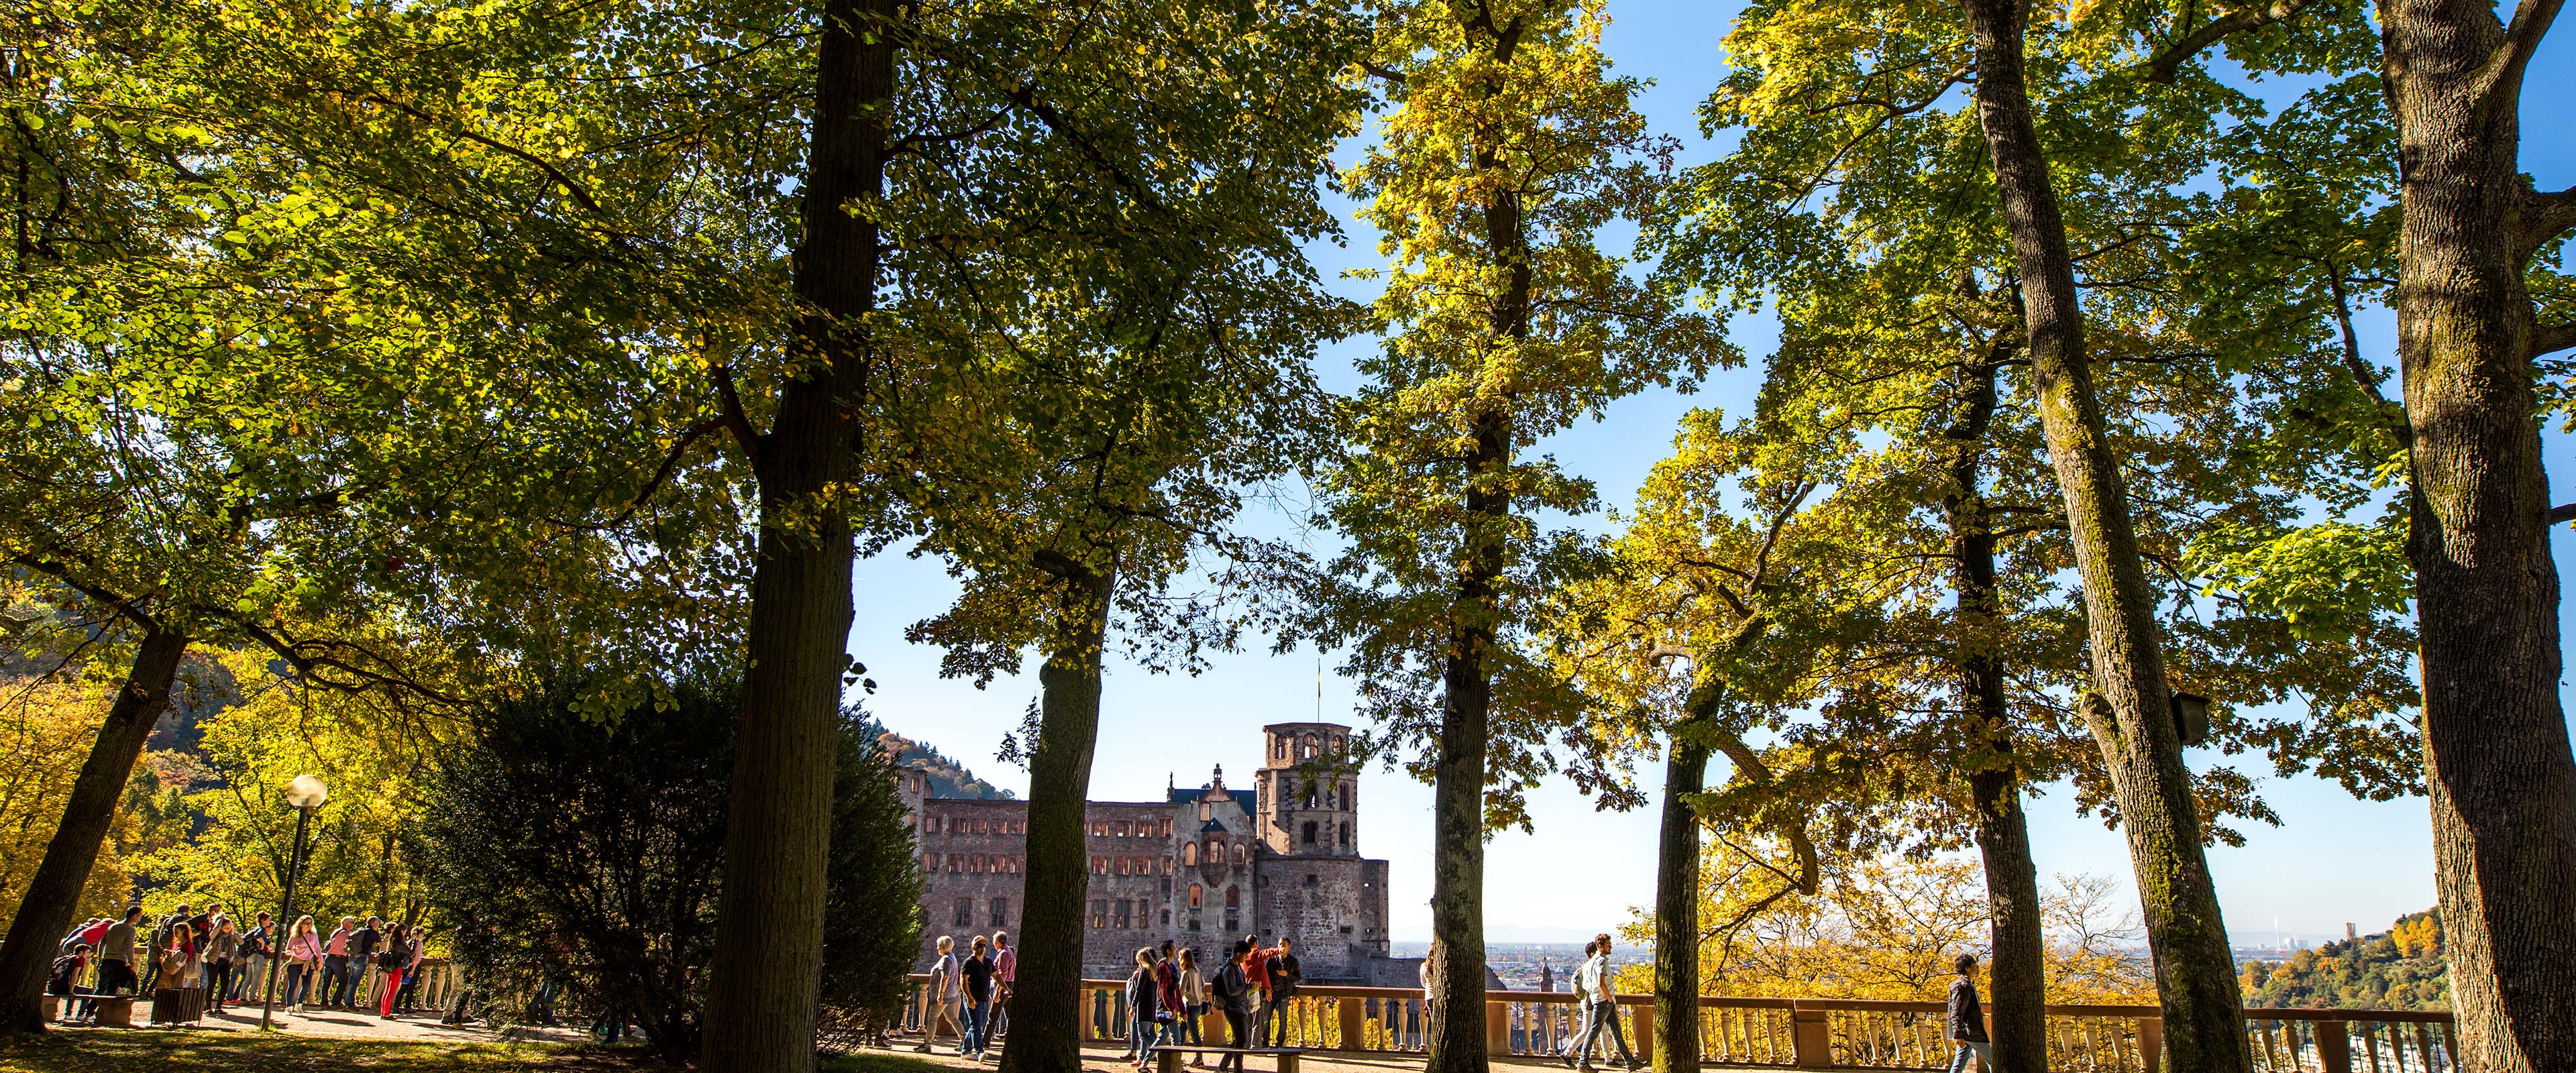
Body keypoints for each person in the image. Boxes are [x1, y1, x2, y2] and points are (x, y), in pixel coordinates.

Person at [1568, 932, 1638, 1071]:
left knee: (1616, 1032)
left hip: (1600, 1000)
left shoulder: (1590, 963)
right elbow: (1601, 982)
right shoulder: (1601, 961)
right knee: (1593, 1032)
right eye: (1608, 945)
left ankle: (1630, 1062)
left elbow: (1588, 985)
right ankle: (1583, 1063)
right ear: (1600, 946)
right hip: (1604, 1001)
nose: (1611, 947)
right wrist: (1609, 998)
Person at [1210, 940, 1253, 1072]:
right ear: (1238, 954)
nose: (1246, 958)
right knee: (1241, 1040)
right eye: (1245, 955)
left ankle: (1225, 1066)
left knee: (1240, 1040)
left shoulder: (1237, 967)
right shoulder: (1229, 969)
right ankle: (1236, 1069)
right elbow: (1231, 990)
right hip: (1233, 1008)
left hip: (1240, 1007)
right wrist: (1247, 987)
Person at [1946, 954, 1994, 1073]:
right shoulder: (1963, 986)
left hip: (1967, 1032)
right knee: (1994, 1060)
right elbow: (1956, 1012)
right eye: (1974, 965)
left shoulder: (1967, 985)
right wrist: (1958, 1033)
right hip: (1971, 1032)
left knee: (1959, 1064)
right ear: (1967, 968)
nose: (1977, 967)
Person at [917, 935, 964, 1054]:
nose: (937, 948)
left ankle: (927, 1045)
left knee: (932, 1019)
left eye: (939, 946)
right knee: (952, 1018)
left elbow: (946, 976)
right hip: (951, 994)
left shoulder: (946, 960)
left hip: (944, 996)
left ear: (943, 947)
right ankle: (965, 1040)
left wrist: (940, 993)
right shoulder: (951, 957)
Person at [1126, 946, 1164, 1069]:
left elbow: (1139, 990)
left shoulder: (1145, 970)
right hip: (1153, 1006)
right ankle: (1151, 1054)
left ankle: (1162, 1049)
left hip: (1143, 1007)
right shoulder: (1155, 971)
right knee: (1147, 1033)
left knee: (1143, 1034)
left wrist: (1133, 1006)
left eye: (1138, 960)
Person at [97, 907, 143, 1007]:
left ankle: (87, 1013)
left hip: (106, 960)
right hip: (119, 961)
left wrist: (100, 958)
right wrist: (132, 962)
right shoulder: (130, 930)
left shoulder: (112, 926)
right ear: (134, 916)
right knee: (112, 989)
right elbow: (129, 947)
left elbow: (102, 943)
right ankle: (107, 1013)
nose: (140, 918)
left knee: (100, 989)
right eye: (140, 916)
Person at [962, 935, 997, 1059]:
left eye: (984, 945)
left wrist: (1006, 988)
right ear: (973, 947)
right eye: (979, 945)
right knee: (976, 1025)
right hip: (973, 999)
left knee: (977, 1024)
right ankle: (979, 1051)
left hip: (983, 998)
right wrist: (969, 998)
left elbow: (996, 975)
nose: (982, 947)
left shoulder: (988, 961)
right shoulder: (969, 962)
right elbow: (963, 981)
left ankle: (965, 1051)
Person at [1265, 937, 1301, 1046]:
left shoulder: (1293, 961)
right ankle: (1265, 1040)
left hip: (1285, 993)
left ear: (1289, 947)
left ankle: (1280, 1042)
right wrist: (1267, 989)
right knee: (1266, 1017)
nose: (1282, 947)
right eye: (1280, 944)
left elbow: (1298, 977)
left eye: (1284, 945)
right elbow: (1266, 975)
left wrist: (1287, 975)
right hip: (1272, 992)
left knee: (1282, 1019)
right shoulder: (1272, 960)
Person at [1175, 948, 1208, 1066]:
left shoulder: (1186, 973)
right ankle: (1177, 1056)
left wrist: (1176, 1006)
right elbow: (1203, 986)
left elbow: (1181, 992)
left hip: (1190, 1006)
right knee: (1182, 1031)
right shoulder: (1197, 971)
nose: (1178, 959)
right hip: (1199, 1005)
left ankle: (1199, 1060)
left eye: (1180, 957)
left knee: (1194, 1034)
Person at [285, 916, 323, 1009]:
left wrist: (321, 960)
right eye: (307, 923)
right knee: (292, 986)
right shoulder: (295, 936)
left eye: (311, 923)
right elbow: (287, 951)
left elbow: (317, 948)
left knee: (306, 985)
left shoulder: (313, 935)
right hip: (296, 962)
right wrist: (295, 950)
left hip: (308, 963)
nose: (309, 926)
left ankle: (299, 1004)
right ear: (301, 924)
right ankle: (289, 1006)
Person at [1242, 934, 1273, 1049]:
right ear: (1255, 944)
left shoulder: (1244, 958)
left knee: (1248, 1019)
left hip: (1245, 990)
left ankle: (1246, 1044)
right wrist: (1279, 951)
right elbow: (1266, 953)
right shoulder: (1255, 955)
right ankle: (1256, 1045)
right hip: (1255, 991)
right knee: (1258, 1019)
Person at [376, 922, 413, 1017]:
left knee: (387, 990)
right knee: (391, 991)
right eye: (405, 931)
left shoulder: (392, 940)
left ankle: (384, 1012)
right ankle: (386, 1013)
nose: (405, 933)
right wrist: (411, 943)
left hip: (390, 967)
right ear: (402, 931)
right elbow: (410, 952)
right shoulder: (400, 942)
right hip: (397, 968)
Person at [47, 943, 89, 1024]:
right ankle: (81, 1015)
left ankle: (69, 1014)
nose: (88, 956)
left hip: (53, 987)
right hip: (63, 987)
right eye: (87, 953)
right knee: (89, 991)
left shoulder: (69, 958)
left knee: (74, 989)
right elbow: (75, 975)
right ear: (81, 953)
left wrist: (72, 989)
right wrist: (71, 991)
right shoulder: (80, 959)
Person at [235, 912, 273, 1003]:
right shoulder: (261, 930)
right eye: (268, 920)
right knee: (256, 977)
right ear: (263, 921)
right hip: (257, 955)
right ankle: (253, 998)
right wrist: (263, 943)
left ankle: (243, 997)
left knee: (248, 977)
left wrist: (267, 944)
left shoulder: (256, 929)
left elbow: (267, 941)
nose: (270, 921)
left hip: (249, 955)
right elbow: (258, 936)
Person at [206, 917, 239, 1013]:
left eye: (230, 928)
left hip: (226, 961)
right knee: (211, 984)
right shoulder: (217, 935)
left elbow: (241, 942)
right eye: (226, 928)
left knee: (225, 984)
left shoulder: (231, 936)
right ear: (221, 928)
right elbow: (212, 936)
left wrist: (234, 932)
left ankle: (218, 1008)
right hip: (214, 961)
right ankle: (208, 1007)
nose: (228, 930)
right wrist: (219, 922)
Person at [322, 917, 356, 1008]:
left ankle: (324, 1003)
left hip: (329, 958)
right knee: (344, 981)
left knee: (326, 982)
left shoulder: (336, 932)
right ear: (346, 924)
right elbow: (349, 948)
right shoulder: (347, 934)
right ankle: (336, 1002)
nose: (353, 924)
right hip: (338, 959)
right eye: (352, 922)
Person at [988, 931, 1015, 1039]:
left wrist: (998, 992)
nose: (993, 943)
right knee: (1009, 1012)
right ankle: (1009, 1034)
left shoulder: (1004, 953)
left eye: (994, 941)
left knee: (993, 1015)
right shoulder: (1009, 952)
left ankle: (986, 1040)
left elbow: (1002, 974)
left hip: (1004, 986)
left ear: (999, 942)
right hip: (1009, 985)